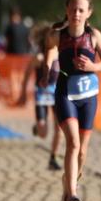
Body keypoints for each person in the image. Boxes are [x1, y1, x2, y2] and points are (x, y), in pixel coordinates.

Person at [43, 0, 101, 201]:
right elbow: (49, 50)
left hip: (89, 95)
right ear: (67, 10)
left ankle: (68, 180)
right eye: (73, 9)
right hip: (65, 92)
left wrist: (93, 67)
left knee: (82, 150)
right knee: (72, 143)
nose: (76, 13)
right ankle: (72, 195)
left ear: (88, 13)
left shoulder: (94, 36)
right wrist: (47, 68)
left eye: (81, 10)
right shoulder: (57, 35)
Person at [18, 22, 62, 170]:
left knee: (59, 128)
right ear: (46, 38)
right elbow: (26, 76)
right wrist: (23, 94)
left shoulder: (60, 54)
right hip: (42, 95)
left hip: (57, 94)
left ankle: (53, 158)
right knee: (43, 133)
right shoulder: (38, 57)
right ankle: (38, 126)